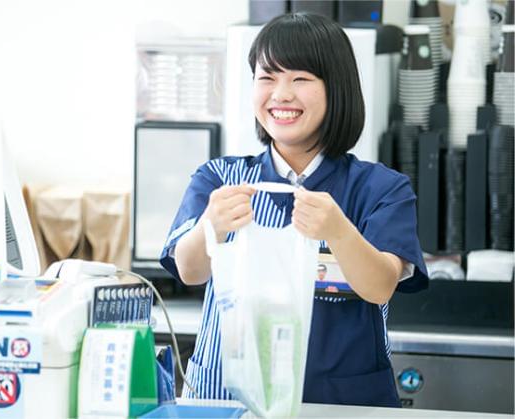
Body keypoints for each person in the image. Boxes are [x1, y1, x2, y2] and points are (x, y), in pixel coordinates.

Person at [160, 12, 427, 407]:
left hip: (341, 404)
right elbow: (190, 270)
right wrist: (210, 226)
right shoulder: (219, 177)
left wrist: (338, 231)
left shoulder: (381, 188)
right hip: (224, 401)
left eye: (300, 79)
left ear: (337, 89)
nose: (280, 94)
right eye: (267, 78)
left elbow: (379, 286)